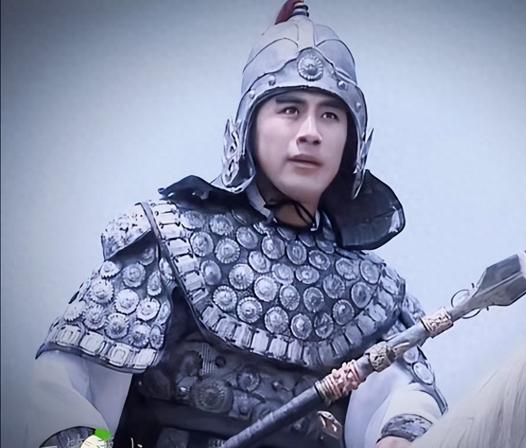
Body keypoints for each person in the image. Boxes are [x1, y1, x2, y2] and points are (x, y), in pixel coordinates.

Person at [28, 2, 447, 447]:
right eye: (290, 109)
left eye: (330, 115)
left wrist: (400, 436)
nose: (311, 132)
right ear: (248, 127)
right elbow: (70, 388)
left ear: (352, 140)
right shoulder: (172, 239)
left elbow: (404, 399)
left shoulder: (374, 291)